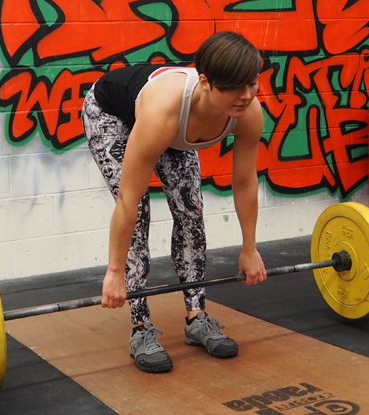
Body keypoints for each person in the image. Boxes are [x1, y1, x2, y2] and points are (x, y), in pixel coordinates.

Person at [81, 31, 268, 373]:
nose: (246, 95)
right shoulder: (163, 113)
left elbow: (244, 182)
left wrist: (250, 248)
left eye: (252, 83)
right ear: (206, 83)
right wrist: (114, 271)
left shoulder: (248, 110)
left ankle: (197, 318)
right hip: (111, 112)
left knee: (191, 209)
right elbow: (127, 199)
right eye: (235, 88)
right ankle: (140, 329)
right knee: (138, 212)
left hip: (173, 124)